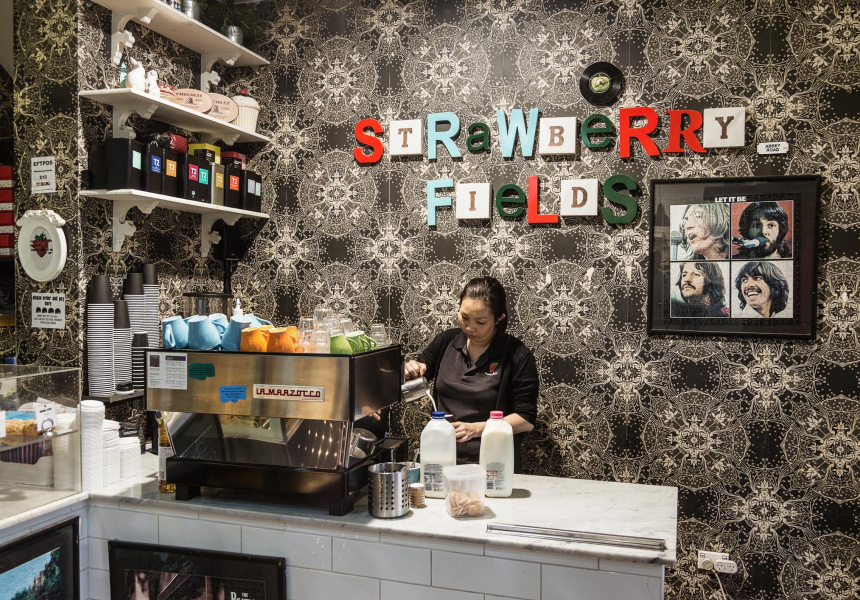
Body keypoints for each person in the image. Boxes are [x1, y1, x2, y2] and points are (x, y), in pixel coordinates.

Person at [404, 276, 538, 472]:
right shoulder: (446, 341)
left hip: (492, 465)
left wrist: (477, 429)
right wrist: (411, 370)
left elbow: (526, 419)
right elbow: (416, 376)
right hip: (442, 460)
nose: (469, 327)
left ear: (499, 318)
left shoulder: (517, 355)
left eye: (480, 321)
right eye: (464, 317)